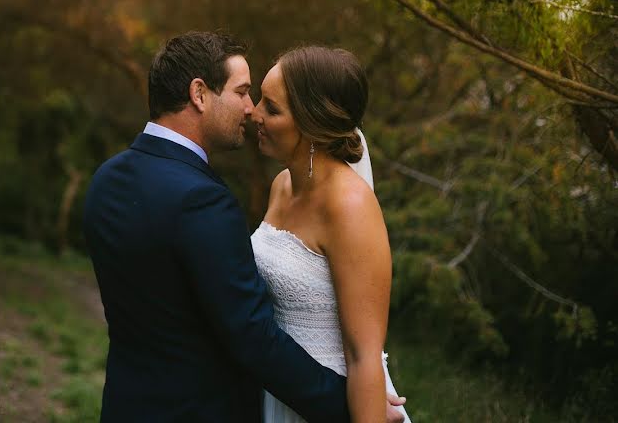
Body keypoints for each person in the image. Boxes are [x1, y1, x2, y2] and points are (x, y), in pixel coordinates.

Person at [84, 31, 405, 422]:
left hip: (128, 404)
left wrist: (364, 406)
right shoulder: (208, 199)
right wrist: (344, 406)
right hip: (214, 408)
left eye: (268, 104)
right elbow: (249, 333)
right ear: (199, 94)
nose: (251, 110)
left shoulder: (106, 179)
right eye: (243, 93)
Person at [251, 46, 410, 423]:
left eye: (271, 108)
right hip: (283, 390)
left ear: (312, 125)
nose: (254, 114)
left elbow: (363, 356)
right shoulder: (281, 186)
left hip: (335, 398)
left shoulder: (350, 206)